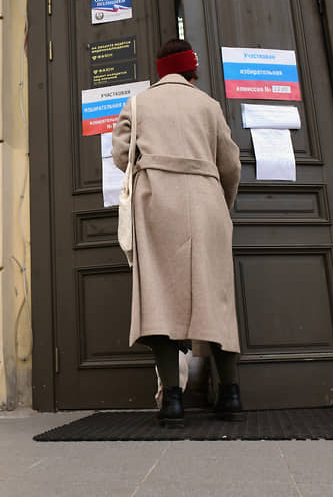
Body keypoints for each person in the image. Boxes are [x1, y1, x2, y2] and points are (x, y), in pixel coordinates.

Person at [112, 39, 242, 427]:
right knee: (215, 297)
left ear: (160, 68)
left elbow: (121, 155)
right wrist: (221, 203)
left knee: (159, 300)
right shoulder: (209, 105)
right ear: (191, 70)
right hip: (206, 203)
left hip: (156, 205)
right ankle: (231, 395)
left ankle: (171, 401)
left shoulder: (138, 103)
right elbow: (230, 163)